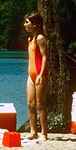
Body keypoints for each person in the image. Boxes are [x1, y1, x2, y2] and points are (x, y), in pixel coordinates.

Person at [24, 11, 49, 141]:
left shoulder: (40, 38)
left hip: (40, 75)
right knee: (30, 103)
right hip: (31, 75)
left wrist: (41, 74)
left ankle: (44, 133)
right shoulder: (30, 39)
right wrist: (32, 75)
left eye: (27, 22)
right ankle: (33, 131)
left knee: (40, 104)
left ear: (35, 24)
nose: (25, 25)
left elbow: (45, 57)